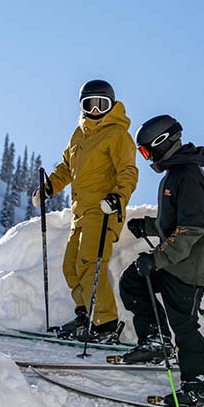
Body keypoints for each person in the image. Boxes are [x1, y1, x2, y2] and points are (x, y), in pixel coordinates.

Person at [119, 114, 204, 407]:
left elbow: (191, 229)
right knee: (133, 280)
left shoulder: (187, 175)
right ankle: (156, 342)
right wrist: (149, 226)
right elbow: (178, 220)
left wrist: (157, 259)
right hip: (180, 257)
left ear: (161, 143)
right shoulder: (176, 173)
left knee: (184, 324)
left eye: (146, 151)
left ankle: (200, 387)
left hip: (193, 263)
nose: (147, 157)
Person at [33, 80, 138, 341]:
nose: (95, 111)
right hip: (80, 212)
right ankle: (85, 316)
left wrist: (118, 198)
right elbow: (66, 168)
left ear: (111, 105)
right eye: (89, 105)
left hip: (103, 211)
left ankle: (105, 324)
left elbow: (128, 171)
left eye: (101, 104)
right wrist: (49, 188)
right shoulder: (79, 134)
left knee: (90, 264)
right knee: (71, 266)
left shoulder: (117, 134)